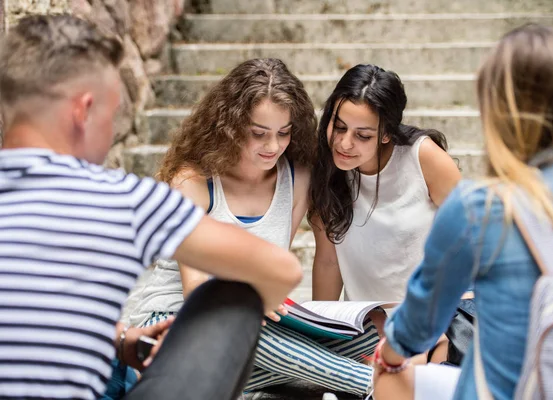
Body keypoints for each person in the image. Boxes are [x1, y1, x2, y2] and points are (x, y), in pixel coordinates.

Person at [0, 15, 303, 400]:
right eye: (112, 115)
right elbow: (283, 270)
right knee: (234, 298)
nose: (111, 133)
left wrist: (124, 339)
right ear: (83, 111)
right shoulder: (124, 198)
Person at [127, 58, 379, 397]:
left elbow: (290, 262)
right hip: (179, 323)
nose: (273, 146)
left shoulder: (297, 179)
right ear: (230, 127)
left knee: (370, 334)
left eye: (283, 133)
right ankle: (378, 385)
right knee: (241, 324)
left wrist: (307, 320)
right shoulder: (194, 182)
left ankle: (249, 389)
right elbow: (197, 290)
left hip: (252, 330)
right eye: (258, 133)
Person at [374, 24, 553, 400]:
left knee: (390, 372)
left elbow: (416, 329)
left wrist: (389, 353)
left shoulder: (481, 208)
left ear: (501, 112)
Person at [308, 64, 461, 329]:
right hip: (365, 331)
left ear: (386, 133)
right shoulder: (325, 171)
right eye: (339, 127)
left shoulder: (423, 158)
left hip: (434, 325)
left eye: (362, 135)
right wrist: (322, 332)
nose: (344, 143)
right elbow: (328, 261)